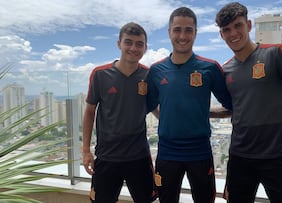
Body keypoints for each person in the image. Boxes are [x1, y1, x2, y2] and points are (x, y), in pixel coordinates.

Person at [215, 2, 282, 203]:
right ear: (221, 35)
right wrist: (201, 111)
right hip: (239, 156)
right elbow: (233, 108)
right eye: (226, 30)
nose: (233, 33)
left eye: (238, 26)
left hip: (278, 156)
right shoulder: (225, 70)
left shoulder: (276, 53)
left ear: (249, 25)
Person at [146, 7, 232, 203]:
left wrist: (271, 111)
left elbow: (232, 105)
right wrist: (168, 116)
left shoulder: (210, 68)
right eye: (177, 29)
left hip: (200, 152)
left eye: (188, 30)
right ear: (169, 32)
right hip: (167, 153)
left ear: (195, 33)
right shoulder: (156, 71)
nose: (182, 36)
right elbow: (149, 103)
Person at [82, 22, 156, 203]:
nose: (133, 48)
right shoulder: (100, 74)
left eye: (139, 44)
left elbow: (155, 107)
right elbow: (90, 112)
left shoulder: (149, 75)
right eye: (128, 42)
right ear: (119, 44)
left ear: (145, 47)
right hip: (107, 156)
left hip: (139, 156)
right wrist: (85, 150)